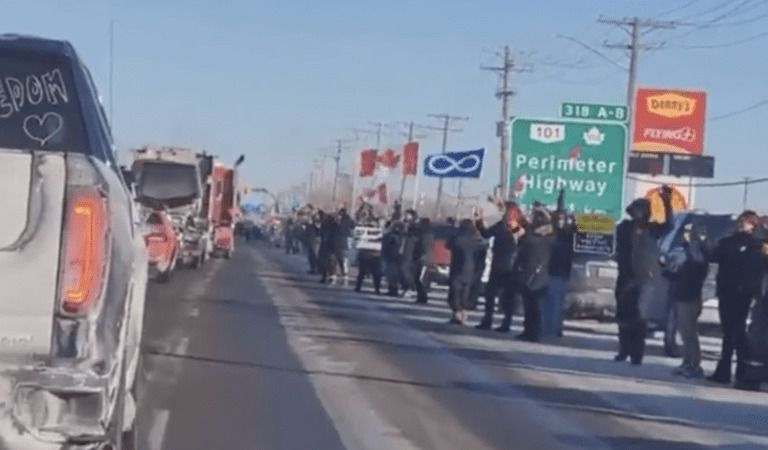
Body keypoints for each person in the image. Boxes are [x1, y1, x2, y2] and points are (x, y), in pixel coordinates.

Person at [614, 185, 674, 365]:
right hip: (625, 276)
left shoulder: (653, 229)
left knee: (639, 317)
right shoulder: (624, 228)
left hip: (644, 279)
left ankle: (636, 354)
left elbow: (670, 224)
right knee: (623, 316)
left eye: (641, 211)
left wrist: (666, 201)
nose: (638, 214)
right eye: (635, 211)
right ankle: (624, 350)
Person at [709, 210, 764, 385]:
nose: (742, 224)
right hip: (727, 292)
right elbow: (714, 256)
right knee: (730, 332)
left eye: (746, 222)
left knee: (736, 332)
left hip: (743, 294)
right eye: (741, 221)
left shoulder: (758, 246)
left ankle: (737, 370)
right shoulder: (728, 242)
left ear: (753, 225)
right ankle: (730, 370)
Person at [661, 222, 710, 379]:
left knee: (689, 333)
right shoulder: (687, 256)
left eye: (691, 232)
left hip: (690, 298)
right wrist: (666, 271)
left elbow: (695, 272)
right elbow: (680, 275)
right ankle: (687, 361)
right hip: (681, 295)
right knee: (684, 332)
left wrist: (692, 248)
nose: (688, 235)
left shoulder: (698, 255)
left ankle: (694, 364)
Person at [475, 202, 526, 332]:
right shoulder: (500, 225)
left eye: (506, 211)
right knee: (490, 294)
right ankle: (488, 320)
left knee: (507, 297)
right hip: (498, 264)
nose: (504, 214)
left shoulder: (514, 226)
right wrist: (480, 220)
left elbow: (520, 238)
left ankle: (506, 322)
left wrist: (513, 224)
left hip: (510, 267)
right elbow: (486, 233)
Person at [513, 206, 556, 342]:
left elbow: (527, 242)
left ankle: (534, 332)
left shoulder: (546, 237)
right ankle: (528, 331)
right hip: (528, 272)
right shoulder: (533, 236)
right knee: (529, 306)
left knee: (535, 307)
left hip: (538, 275)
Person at [543, 190, 576, 338]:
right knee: (551, 302)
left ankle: (553, 328)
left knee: (556, 302)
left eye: (563, 219)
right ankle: (551, 328)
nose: (561, 222)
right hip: (551, 270)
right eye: (558, 219)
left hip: (560, 271)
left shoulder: (569, 236)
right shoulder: (553, 233)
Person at [446, 219, 486, 324]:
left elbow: (448, 245)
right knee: (465, 291)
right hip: (471, 269)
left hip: (457, 268)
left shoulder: (457, 238)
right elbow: (483, 247)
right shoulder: (476, 240)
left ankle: (457, 313)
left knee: (455, 291)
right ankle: (463, 311)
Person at [413, 217, 435, 304]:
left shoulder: (426, 234)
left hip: (424, 259)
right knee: (419, 278)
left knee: (420, 279)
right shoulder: (427, 233)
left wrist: (419, 253)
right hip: (424, 258)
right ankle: (421, 296)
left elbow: (424, 247)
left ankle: (422, 296)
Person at [382, 221, 406, 297]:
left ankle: (393, 290)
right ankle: (392, 289)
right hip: (394, 256)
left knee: (392, 274)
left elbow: (390, 245)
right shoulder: (401, 235)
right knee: (391, 275)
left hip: (393, 256)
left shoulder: (394, 236)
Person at [400, 209, 420, 297]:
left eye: (407, 215)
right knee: (402, 270)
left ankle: (411, 288)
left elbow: (414, 237)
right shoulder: (404, 225)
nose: (405, 216)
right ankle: (405, 288)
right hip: (402, 249)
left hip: (409, 251)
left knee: (405, 270)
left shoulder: (414, 226)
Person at [333, 208, 355, 284]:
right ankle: (344, 272)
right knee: (343, 259)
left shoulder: (338, 221)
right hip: (345, 241)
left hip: (339, 241)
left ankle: (336, 272)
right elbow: (353, 226)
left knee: (338, 258)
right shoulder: (348, 220)